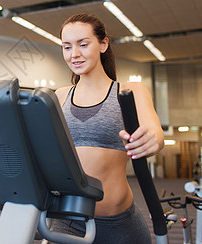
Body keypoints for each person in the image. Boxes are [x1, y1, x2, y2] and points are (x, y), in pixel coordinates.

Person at [52, 13, 164, 243]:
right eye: (67, 47)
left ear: (103, 44)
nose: (74, 54)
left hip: (118, 222)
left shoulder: (130, 91)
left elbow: (155, 132)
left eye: (83, 44)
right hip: (68, 220)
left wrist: (151, 140)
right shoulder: (60, 96)